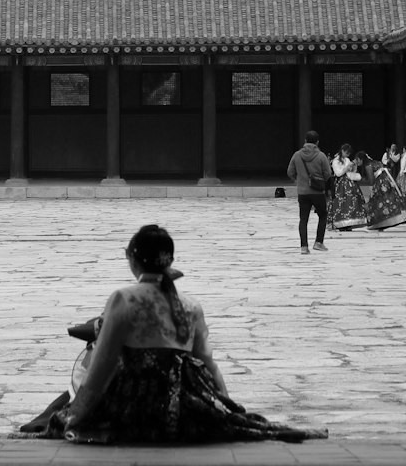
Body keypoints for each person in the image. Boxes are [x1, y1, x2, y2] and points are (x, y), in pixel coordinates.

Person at [37, 225, 327, 444]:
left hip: (137, 396)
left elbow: (103, 361)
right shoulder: (190, 304)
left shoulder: (124, 298)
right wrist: (227, 407)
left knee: (63, 419)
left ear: (132, 259)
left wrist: (78, 411)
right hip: (187, 396)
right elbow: (208, 362)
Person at [286, 130, 332, 254]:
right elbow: (328, 174)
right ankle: (318, 242)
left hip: (302, 192)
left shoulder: (297, 155)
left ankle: (304, 247)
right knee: (323, 215)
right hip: (318, 192)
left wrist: (299, 180)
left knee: (303, 219)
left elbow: (290, 172)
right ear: (317, 142)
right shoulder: (321, 156)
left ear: (305, 141)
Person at [354, 150, 406, 230]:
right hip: (388, 179)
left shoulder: (368, 165)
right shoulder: (374, 162)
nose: (357, 162)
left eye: (357, 160)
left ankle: (380, 222)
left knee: (376, 201)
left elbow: (371, 180)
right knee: (390, 198)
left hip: (382, 181)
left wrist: (360, 180)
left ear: (360, 159)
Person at [329, 143, 367, 231]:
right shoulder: (335, 161)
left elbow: (351, 171)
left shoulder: (347, 159)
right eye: (346, 152)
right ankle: (341, 223)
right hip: (340, 185)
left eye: (348, 153)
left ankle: (349, 222)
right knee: (341, 204)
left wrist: (353, 167)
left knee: (351, 202)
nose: (347, 155)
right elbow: (338, 173)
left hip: (349, 184)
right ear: (342, 150)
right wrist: (346, 168)